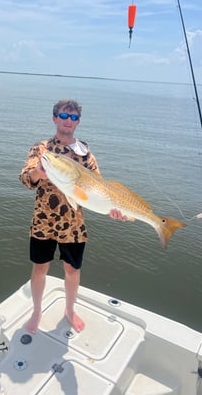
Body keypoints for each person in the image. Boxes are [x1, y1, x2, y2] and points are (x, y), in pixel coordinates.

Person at [19, 99, 126, 334]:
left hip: (73, 225)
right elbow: (26, 179)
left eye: (74, 117)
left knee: (72, 271)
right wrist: (39, 172)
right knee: (39, 269)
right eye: (64, 116)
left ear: (78, 122)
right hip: (43, 222)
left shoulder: (85, 154)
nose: (69, 121)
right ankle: (37, 310)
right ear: (54, 118)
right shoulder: (42, 149)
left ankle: (69, 309)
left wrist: (115, 210)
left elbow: (100, 188)